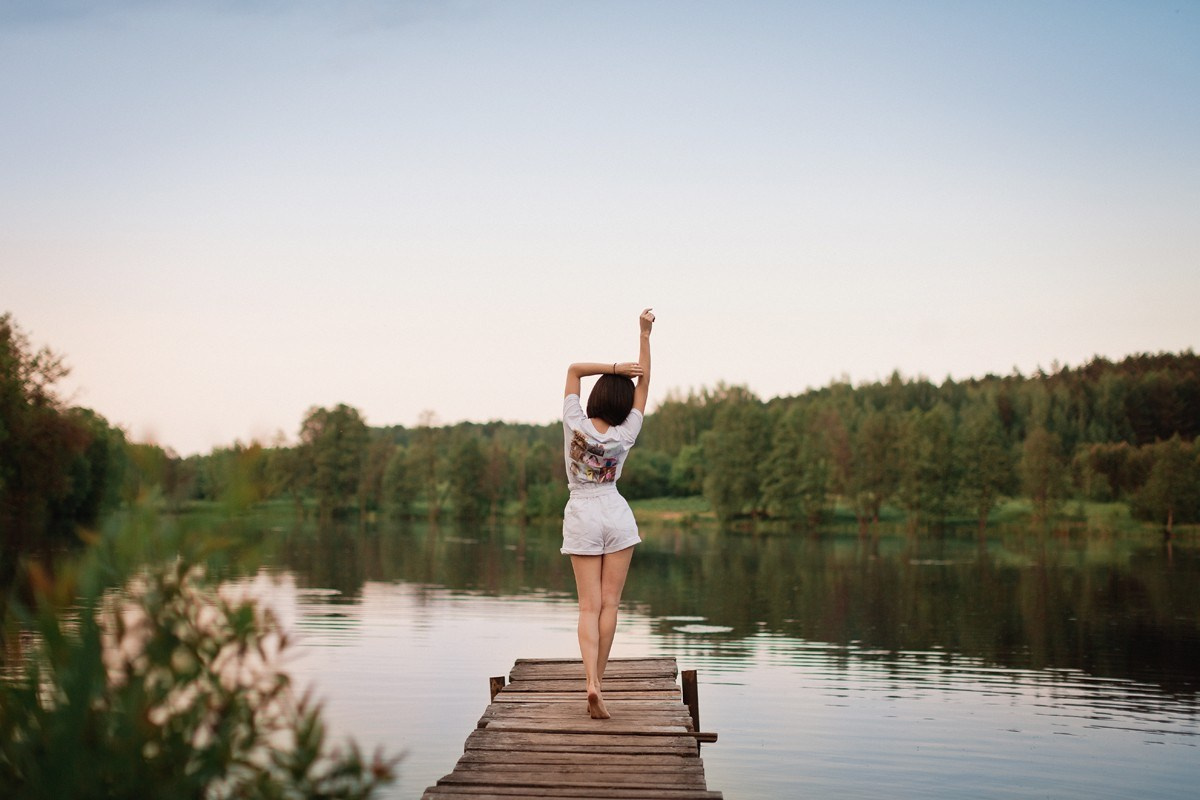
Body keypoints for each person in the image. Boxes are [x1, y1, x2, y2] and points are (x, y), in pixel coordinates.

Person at [561, 307, 655, 719]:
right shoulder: (626, 433)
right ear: (624, 404)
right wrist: (644, 336)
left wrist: (614, 368)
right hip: (616, 512)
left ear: (596, 398)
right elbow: (645, 383)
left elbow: (574, 369)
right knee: (611, 605)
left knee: (588, 606)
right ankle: (599, 682)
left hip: (582, 512)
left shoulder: (574, 423)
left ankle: (590, 683)